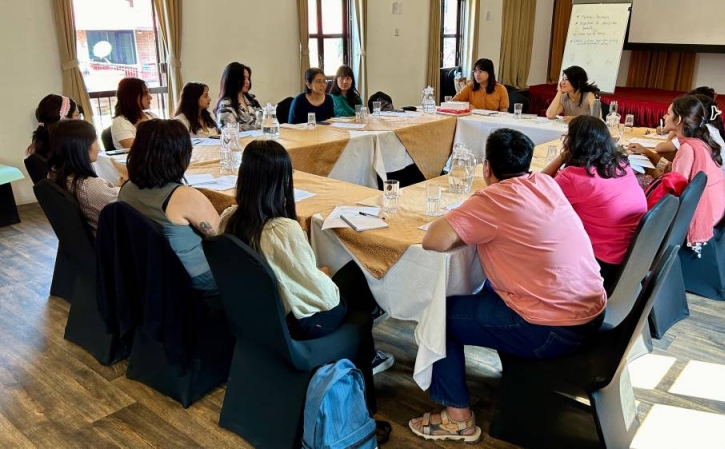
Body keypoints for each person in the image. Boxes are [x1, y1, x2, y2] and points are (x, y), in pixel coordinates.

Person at [408, 128, 607, 443]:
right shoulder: (544, 183)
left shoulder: (492, 200)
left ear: (487, 167)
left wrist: (462, 215)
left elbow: (433, 240)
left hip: (551, 332)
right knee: (486, 287)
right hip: (590, 314)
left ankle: (458, 420)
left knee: (440, 316)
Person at [219, 140, 394, 374]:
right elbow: (323, 298)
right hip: (301, 323)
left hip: (257, 317)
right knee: (359, 272)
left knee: (345, 277)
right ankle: (367, 354)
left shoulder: (228, 220)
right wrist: (324, 277)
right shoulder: (281, 231)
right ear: (281, 182)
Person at [542, 116, 647, 290]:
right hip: (633, 257)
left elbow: (537, 189)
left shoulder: (574, 177)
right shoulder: (621, 164)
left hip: (604, 264)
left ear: (573, 143)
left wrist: (562, 157)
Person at [118, 119, 219, 294]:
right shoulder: (184, 196)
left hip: (152, 273)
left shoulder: (126, 189)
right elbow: (222, 236)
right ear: (180, 155)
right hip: (196, 278)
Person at [658, 95, 725, 249]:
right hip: (716, 210)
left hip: (705, 215)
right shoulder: (701, 142)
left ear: (678, 120)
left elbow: (675, 191)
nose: (664, 116)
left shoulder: (687, 149)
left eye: (668, 113)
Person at [628, 87, 725, 176]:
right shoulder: (702, 133)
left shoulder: (689, 146)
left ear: (680, 119)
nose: (664, 116)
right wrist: (648, 153)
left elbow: (675, 183)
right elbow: (674, 171)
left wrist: (653, 172)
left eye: (668, 114)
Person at [47, 119, 118, 235]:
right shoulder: (90, 186)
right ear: (83, 146)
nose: (98, 146)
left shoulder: (54, 173)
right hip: (112, 240)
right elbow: (125, 213)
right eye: (96, 140)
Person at [27, 94, 83, 159]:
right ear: (64, 119)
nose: (80, 120)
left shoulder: (40, 150)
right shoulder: (66, 153)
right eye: (77, 115)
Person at [111, 78, 157, 151]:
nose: (150, 97)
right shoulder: (120, 122)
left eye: (148, 93)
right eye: (145, 94)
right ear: (131, 97)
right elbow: (136, 150)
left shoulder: (152, 116)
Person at [215, 62, 262, 131]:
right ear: (233, 80)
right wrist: (256, 126)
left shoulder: (252, 99)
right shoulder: (225, 104)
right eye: (243, 78)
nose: (248, 82)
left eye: (248, 78)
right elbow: (228, 129)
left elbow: (264, 120)